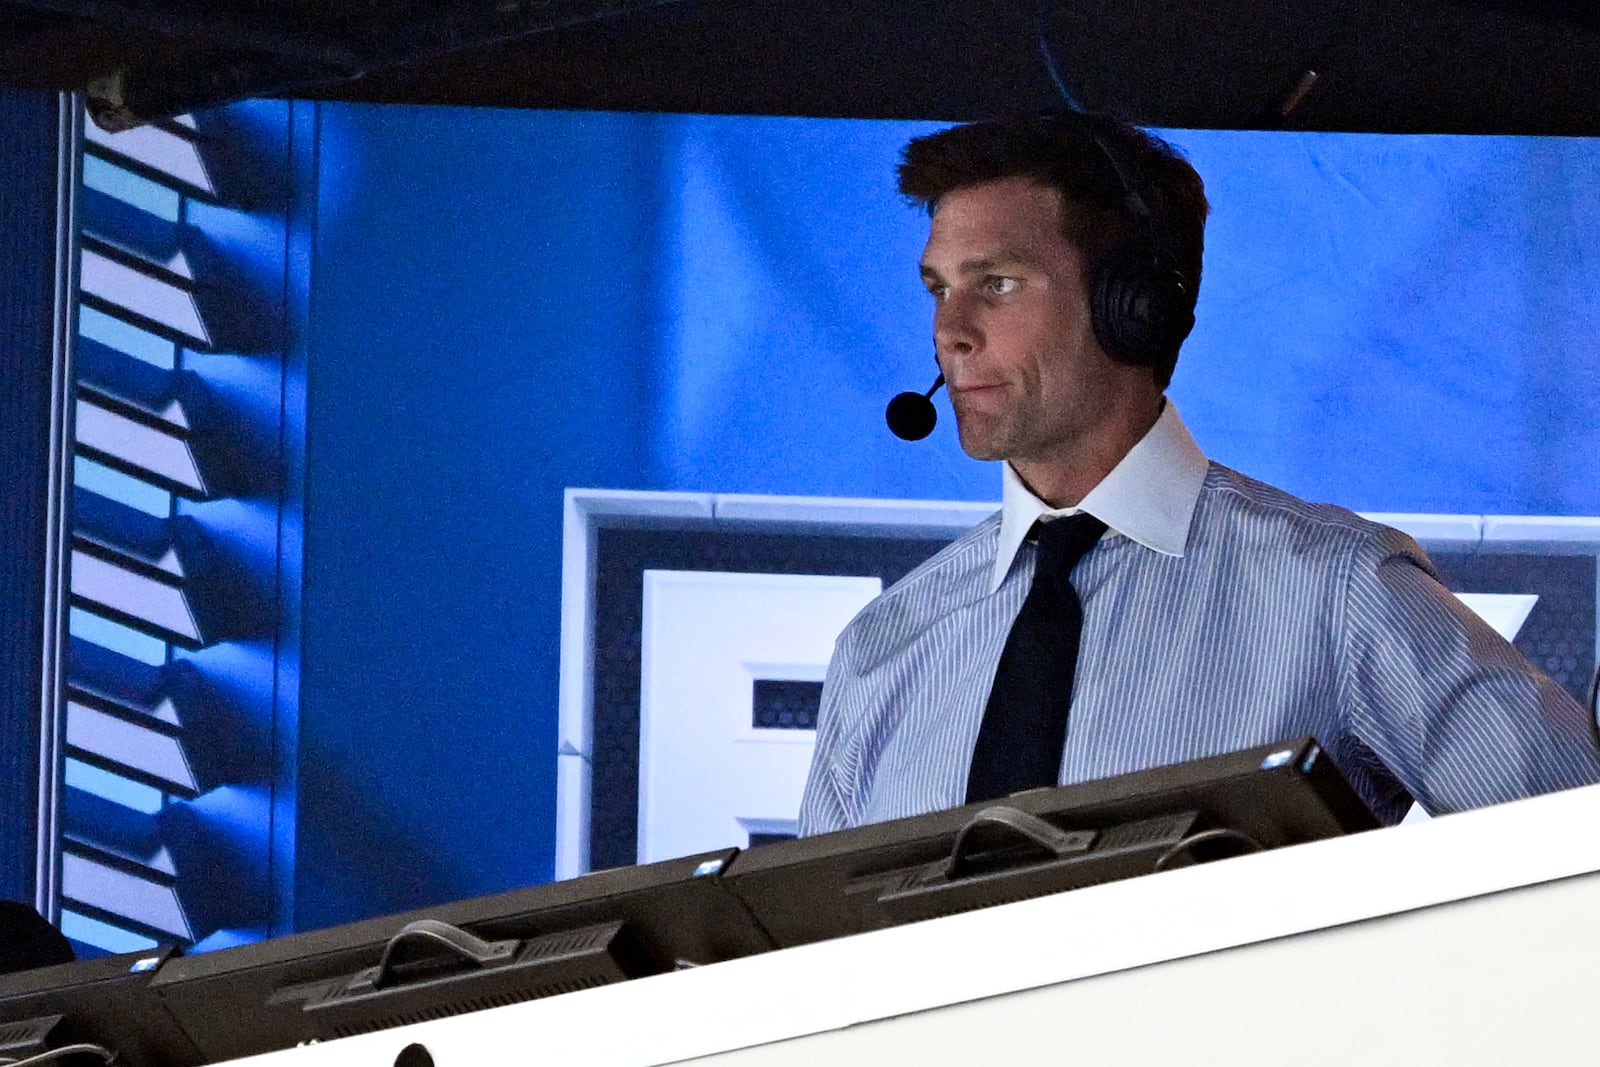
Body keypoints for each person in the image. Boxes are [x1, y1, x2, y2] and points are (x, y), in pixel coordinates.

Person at [797, 112, 1600, 835]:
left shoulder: (1336, 591)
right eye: (939, 289)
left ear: (1134, 303)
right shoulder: (885, 647)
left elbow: (1576, 850)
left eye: (996, 284)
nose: (949, 332)